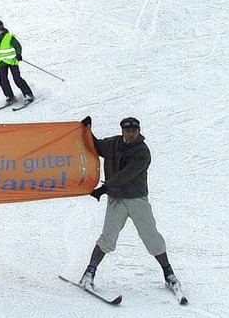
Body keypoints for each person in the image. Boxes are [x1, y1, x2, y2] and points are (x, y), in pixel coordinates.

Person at [77, 116, 183, 294]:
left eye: (134, 130)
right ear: (122, 131)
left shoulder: (142, 151)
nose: (131, 133)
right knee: (107, 238)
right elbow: (94, 146)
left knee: (151, 236)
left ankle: (169, 274)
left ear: (138, 131)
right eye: (128, 130)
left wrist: (104, 188)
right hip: (116, 201)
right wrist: (86, 129)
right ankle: (89, 273)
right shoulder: (114, 143)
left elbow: (127, 174)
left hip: (136, 200)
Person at [0, 19, 34, 105]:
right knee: (3, 81)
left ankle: (28, 94)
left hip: (12, 61)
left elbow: (17, 46)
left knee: (17, 79)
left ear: (1, 27)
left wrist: (18, 54)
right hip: (1, 63)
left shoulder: (8, 36)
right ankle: (10, 96)